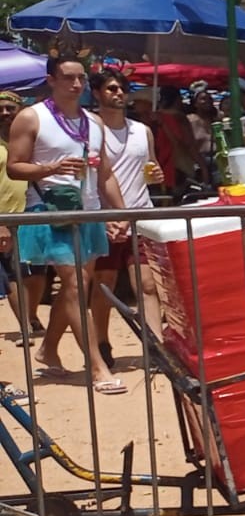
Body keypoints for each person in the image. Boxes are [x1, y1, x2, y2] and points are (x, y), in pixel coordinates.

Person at [6, 58, 128, 393]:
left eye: (81, 78)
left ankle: (48, 350)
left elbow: (104, 174)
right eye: (68, 78)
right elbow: (15, 167)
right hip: (51, 211)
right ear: (51, 80)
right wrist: (51, 168)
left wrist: (120, 213)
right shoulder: (32, 116)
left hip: (86, 211)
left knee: (80, 286)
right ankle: (97, 366)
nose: (76, 84)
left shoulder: (93, 121)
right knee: (74, 285)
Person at [88, 71, 161, 370]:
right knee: (104, 282)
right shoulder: (90, 129)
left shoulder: (142, 131)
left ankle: (155, 346)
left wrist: (157, 175)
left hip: (140, 214)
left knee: (147, 284)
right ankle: (102, 341)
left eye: (123, 88)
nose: (119, 93)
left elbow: (152, 168)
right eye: (111, 88)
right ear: (97, 93)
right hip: (104, 218)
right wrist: (106, 215)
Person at [0, 91, 45, 338]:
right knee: (13, 273)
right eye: (1, 109)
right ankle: (25, 325)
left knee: (37, 272)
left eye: (10, 108)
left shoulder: (33, 140)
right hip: (4, 217)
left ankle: (31, 315)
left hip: (33, 213)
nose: (5, 113)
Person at [150, 84, 196, 190]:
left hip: (162, 164)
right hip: (180, 163)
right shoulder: (179, 117)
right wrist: (203, 167)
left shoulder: (154, 118)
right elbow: (189, 144)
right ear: (177, 99)